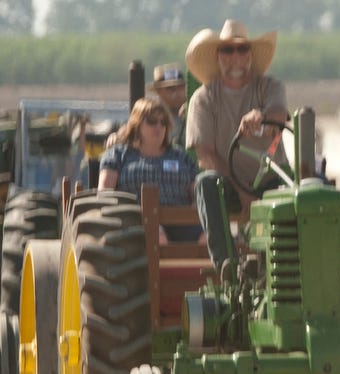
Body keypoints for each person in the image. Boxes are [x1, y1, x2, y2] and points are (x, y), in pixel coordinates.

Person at [184, 19, 288, 203]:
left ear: (250, 55)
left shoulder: (270, 87)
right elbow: (206, 155)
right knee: (206, 183)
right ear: (218, 56)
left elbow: (279, 115)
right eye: (228, 50)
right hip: (228, 183)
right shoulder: (203, 99)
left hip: (272, 180)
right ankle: (218, 233)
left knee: (313, 184)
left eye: (242, 49)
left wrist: (262, 117)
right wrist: (240, 189)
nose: (235, 57)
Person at [98, 97, 201, 242]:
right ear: (137, 125)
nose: (159, 127)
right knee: (158, 236)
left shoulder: (181, 156)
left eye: (163, 122)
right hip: (135, 222)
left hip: (181, 221)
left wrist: (196, 206)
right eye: (152, 121)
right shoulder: (118, 155)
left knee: (208, 239)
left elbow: (197, 191)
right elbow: (104, 195)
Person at [150, 63, 190, 149]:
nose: (177, 93)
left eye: (181, 87)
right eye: (171, 89)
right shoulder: (150, 118)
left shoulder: (194, 112)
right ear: (158, 91)